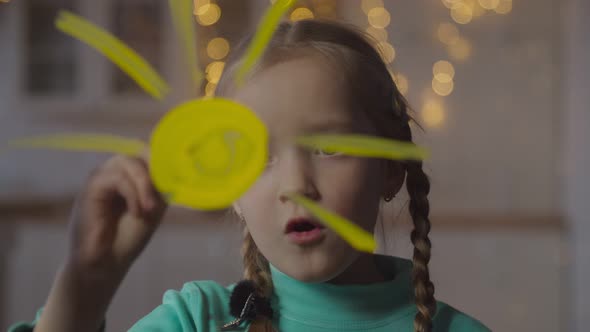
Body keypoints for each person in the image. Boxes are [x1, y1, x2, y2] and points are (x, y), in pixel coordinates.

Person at [9, 20, 490, 332]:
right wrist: (85, 285)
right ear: (231, 190)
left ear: (390, 169)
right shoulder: (195, 323)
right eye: (257, 157)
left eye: (329, 146)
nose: (297, 185)